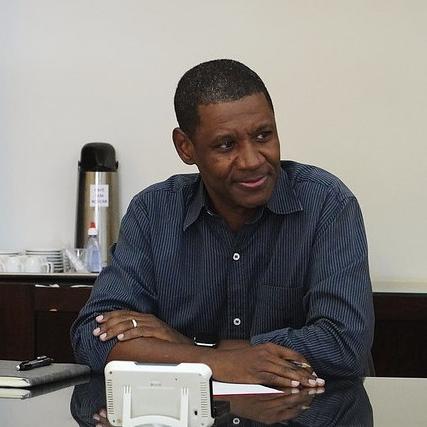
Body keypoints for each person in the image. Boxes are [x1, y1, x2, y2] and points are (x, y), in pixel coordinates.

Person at [71, 59, 374, 389]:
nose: (252, 160)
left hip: (312, 409)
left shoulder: (327, 203)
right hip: (192, 411)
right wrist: (217, 361)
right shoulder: (153, 212)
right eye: (226, 145)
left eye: (263, 135)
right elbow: (93, 337)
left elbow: (343, 345)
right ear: (186, 147)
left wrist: (192, 347)